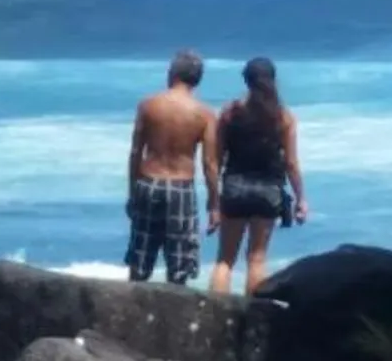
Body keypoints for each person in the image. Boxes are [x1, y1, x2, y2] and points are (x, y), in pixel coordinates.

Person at [208, 56, 306, 296]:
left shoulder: (230, 113)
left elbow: (215, 160)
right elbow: (291, 163)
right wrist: (301, 198)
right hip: (268, 191)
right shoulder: (283, 117)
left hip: (234, 188)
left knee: (225, 260)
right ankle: (253, 313)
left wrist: (214, 201)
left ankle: (214, 312)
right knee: (257, 259)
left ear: (246, 81)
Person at [124, 49, 220, 285]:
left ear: (173, 74)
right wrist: (214, 204)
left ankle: (133, 306)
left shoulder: (148, 105)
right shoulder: (204, 114)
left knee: (140, 261)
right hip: (181, 188)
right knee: (179, 265)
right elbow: (209, 163)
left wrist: (133, 192)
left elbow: (136, 152)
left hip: (149, 182)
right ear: (196, 79)